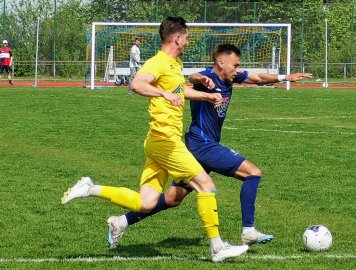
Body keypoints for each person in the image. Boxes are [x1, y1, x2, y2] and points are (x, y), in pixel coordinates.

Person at [61, 18, 248, 263]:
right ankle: (217, 248)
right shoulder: (158, 62)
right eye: (187, 37)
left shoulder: (174, 63)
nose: (188, 42)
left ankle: (89, 188)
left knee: (147, 203)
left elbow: (179, 91)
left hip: (157, 141)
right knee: (206, 186)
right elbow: (137, 84)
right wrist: (163, 93)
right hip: (166, 141)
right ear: (177, 38)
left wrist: (205, 94)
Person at [106, 44, 313, 248]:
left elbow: (257, 78)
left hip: (200, 146)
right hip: (202, 144)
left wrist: (286, 77)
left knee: (172, 199)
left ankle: (121, 221)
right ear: (221, 62)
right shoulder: (208, 78)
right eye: (235, 65)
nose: (238, 69)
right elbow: (193, 77)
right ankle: (248, 231)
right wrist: (201, 79)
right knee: (252, 173)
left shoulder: (230, 76)